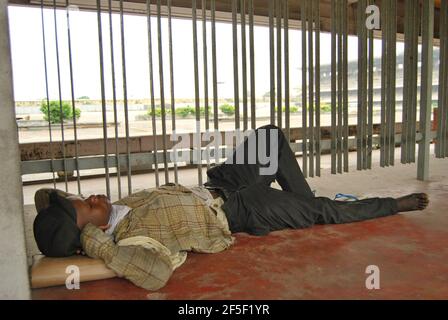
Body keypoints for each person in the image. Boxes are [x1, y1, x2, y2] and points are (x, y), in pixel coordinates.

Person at [33, 124, 428, 290]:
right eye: (89, 205)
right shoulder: (128, 241)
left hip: (221, 183)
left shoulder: (113, 210)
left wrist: (62, 207)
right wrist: (94, 241)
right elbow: (154, 277)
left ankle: (304, 204)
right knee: (324, 211)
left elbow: (46, 197)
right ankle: (393, 204)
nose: (95, 197)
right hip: (241, 212)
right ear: (92, 231)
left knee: (270, 137)